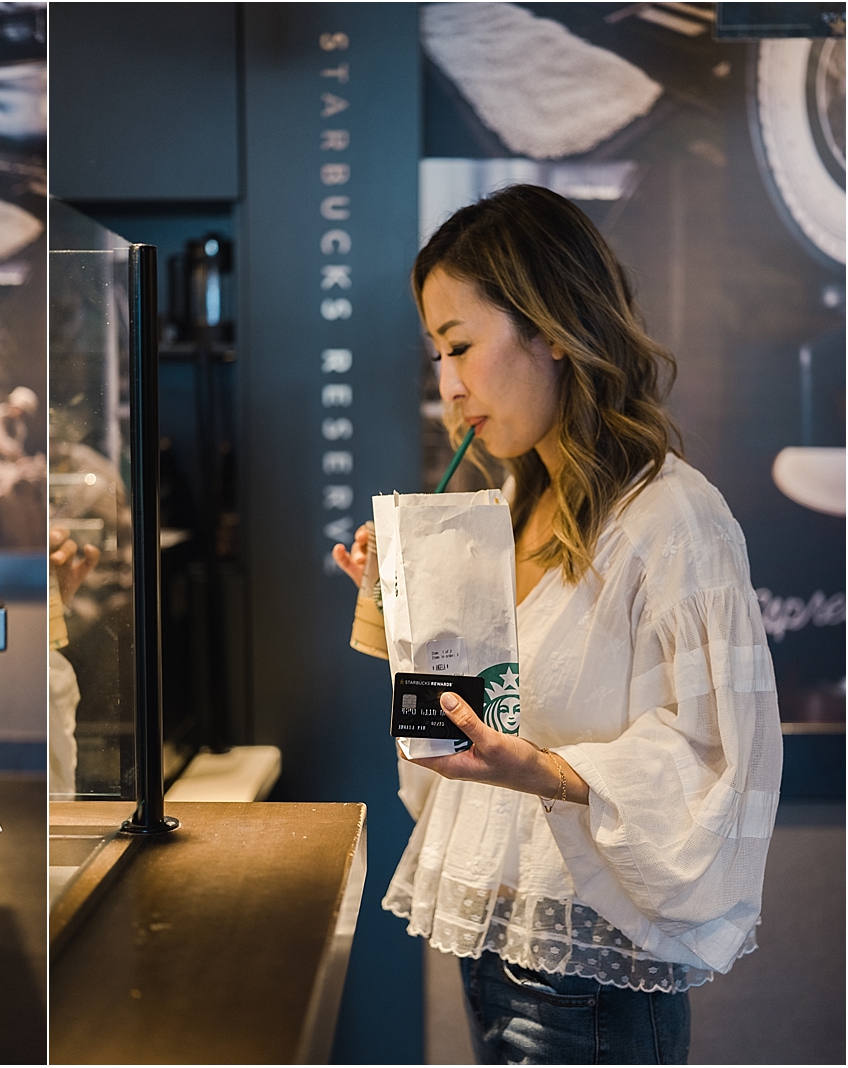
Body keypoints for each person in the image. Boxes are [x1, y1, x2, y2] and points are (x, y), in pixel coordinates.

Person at [333, 185, 780, 1065]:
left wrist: (546, 770)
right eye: (436, 355)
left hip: (593, 977)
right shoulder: (508, 508)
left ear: (554, 329)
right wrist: (401, 612)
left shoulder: (672, 520)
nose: (449, 386)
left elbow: (725, 758)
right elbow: (455, 757)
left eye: (460, 345)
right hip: (504, 948)